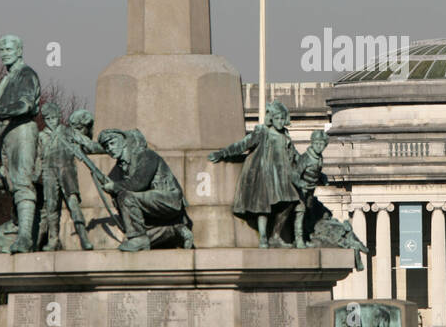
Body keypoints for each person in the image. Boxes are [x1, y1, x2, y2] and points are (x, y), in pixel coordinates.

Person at [208, 101, 301, 247]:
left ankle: (275, 236)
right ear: (271, 119)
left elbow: (294, 155)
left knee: (290, 202)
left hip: (282, 177)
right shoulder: (262, 132)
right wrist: (223, 153)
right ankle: (263, 237)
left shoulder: (285, 135)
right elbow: (243, 144)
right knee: (262, 205)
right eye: (277, 118)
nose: (280, 122)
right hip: (263, 174)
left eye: (283, 119)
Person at [0, 35, 41, 254]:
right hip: (7, 133)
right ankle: (19, 230)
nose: (4, 53)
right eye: (2, 49)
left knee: (23, 181)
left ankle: (25, 237)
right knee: (12, 183)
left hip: (22, 130)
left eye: (8, 49)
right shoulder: (6, 80)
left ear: (19, 51)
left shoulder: (26, 74)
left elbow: (25, 105)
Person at [97, 129, 193, 252]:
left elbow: (138, 184)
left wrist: (114, 186)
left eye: (112, 143)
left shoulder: (146, 155)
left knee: (126, 197)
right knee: (136, 229)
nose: (109, 149)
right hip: (152, 202)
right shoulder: (123, 165)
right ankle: (174, 230)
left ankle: (138, 238)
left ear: (124, 142)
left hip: (169, 199)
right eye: (106, 146)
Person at [36, 104, 101, 251]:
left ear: (59, 117)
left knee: (73, 204)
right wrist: (34, 175)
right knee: (51, 208)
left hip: (66, 172)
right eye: (47, 118)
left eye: (53, 117)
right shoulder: (41, 136)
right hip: (48, 174)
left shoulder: (68, 132)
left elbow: (89, 145)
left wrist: (106, 147)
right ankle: (53, 240)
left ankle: (83, 238)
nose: (51, 121)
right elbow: (38, 159)